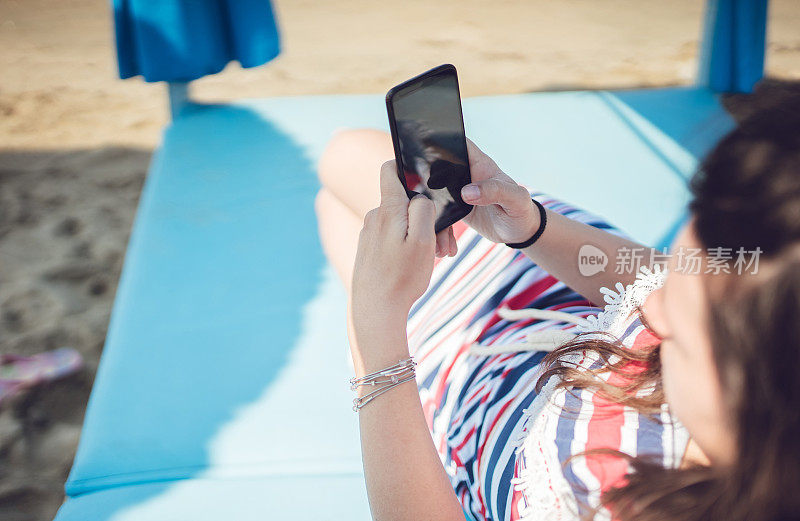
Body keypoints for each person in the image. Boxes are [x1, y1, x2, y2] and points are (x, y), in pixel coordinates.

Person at [314, 99, 800, 521]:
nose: (655, 309)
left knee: (336, 204)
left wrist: (376, 335)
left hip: (471, 387)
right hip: (568, 289)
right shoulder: (757, 288)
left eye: (682, 332)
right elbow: (655, 277)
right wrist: (530, 228)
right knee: (348, 157)